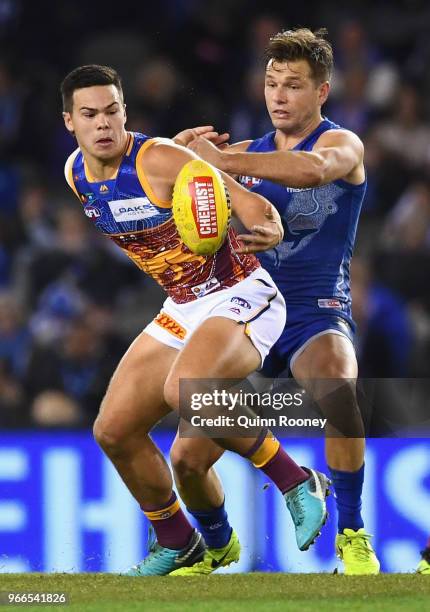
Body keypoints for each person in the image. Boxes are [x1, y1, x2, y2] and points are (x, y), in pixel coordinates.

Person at [60, 64, 330, 576]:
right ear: (69, 122)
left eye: (113, 111)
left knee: (184, 386)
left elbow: (249, 202)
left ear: (125, 112)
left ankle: (297, 481)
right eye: (90, 114)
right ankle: (179, 540)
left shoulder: (160, 159)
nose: (103, 124)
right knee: (113, 429)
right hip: (183, 306)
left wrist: (266, 224)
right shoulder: (75, 174)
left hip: (243, 293)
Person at [171, 27, 380, 575]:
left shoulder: (343, 145)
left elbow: (311, 171)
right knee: (187, 457)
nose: (279, 95)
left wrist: (221, 162)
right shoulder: (243, 154)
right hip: (249, 312)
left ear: (322, 92)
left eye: (293, 85)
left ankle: (353, 536)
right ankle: (216, 543)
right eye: (271, 83)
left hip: (316, 310)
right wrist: (178, 155)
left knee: (336, 385)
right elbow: (180, 188)